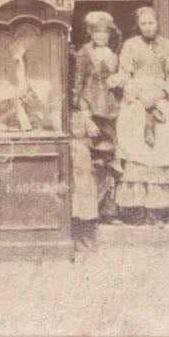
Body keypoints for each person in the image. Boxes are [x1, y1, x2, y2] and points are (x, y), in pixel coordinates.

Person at [112, 6, 169, 223]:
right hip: (137, 103)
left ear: (157, 23)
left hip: (161, 101)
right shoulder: (130, 46)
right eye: (143, 24)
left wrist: (162, 93)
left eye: (151, 23)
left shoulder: (168, 46)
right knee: (138, 152)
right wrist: (138, 94)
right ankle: (136, 210)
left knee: (162, 152)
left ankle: (161, 209)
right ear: (138, 26)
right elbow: (125, 75)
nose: (148, 27)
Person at [72, 10, 121, 218]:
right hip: (90, 109)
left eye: (105, 33)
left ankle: (107, 206)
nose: (101, 36)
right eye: (97, 32)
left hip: (110, 111)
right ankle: (91, 209)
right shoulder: (83, 53)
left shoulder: (113, 55)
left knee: (110, 158)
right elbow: (78, 84)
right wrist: (83, 111)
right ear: (90, 33)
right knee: (92, 159)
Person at [69, 102, 101, 251]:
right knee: (76, 195)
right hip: (73, 154)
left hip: (82, 156)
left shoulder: (82, 115)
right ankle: (76, 237)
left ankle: (84, 236)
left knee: (85, 193)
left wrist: (87, 120)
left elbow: (95, 133)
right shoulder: (67, 114)